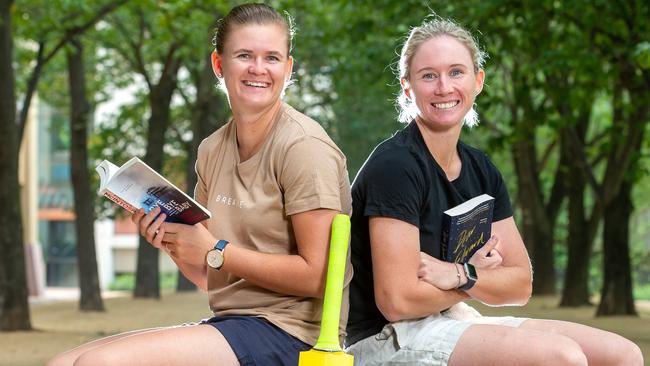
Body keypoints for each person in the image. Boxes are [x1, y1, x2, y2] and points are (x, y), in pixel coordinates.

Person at [48, 3, 352, 366]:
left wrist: (216, 249)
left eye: (271, 57)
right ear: (218, 65)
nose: (258, 68)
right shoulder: (212, 149)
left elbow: (319, 277)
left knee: (99, 364)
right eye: (244, 55)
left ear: (287, 69)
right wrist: (175, 244)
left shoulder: (304, 147)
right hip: (233, 324)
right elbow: (211, 276)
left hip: (293, 334)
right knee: (62, 363)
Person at [345, 16, 643, 366]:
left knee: (623, 355)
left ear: (478, 81)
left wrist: (459, 273)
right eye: (428, 75)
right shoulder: (395, 166)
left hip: (454, 319)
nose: (444, 87)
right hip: (386, 337)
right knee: (562, 358)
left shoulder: (481, 169)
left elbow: (520, 285)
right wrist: (474, 279)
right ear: (407, 87)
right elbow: (396, 301)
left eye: (456, 72)